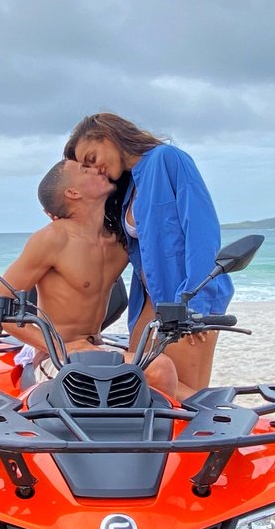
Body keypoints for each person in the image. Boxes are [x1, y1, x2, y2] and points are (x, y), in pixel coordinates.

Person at [63, 113, 232, 397]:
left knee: (185, 399)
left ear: (106, 136)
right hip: (148, 303)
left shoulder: (167, 159)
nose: (95, 169)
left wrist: (197, 305)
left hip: (186, 303)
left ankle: (233, 432)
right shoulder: (128, 189)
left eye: (91, 158)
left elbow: (202, 232)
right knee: (141, 391)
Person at [0, 158, 178, 396]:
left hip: (96, 348)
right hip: (55, 357)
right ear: (73, 192)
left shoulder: (119, 243)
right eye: (85, 169)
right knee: (152, 370)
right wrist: (59, 347)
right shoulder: (52, 239)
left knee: (164, 370)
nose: (98, 168)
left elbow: (160, 275)